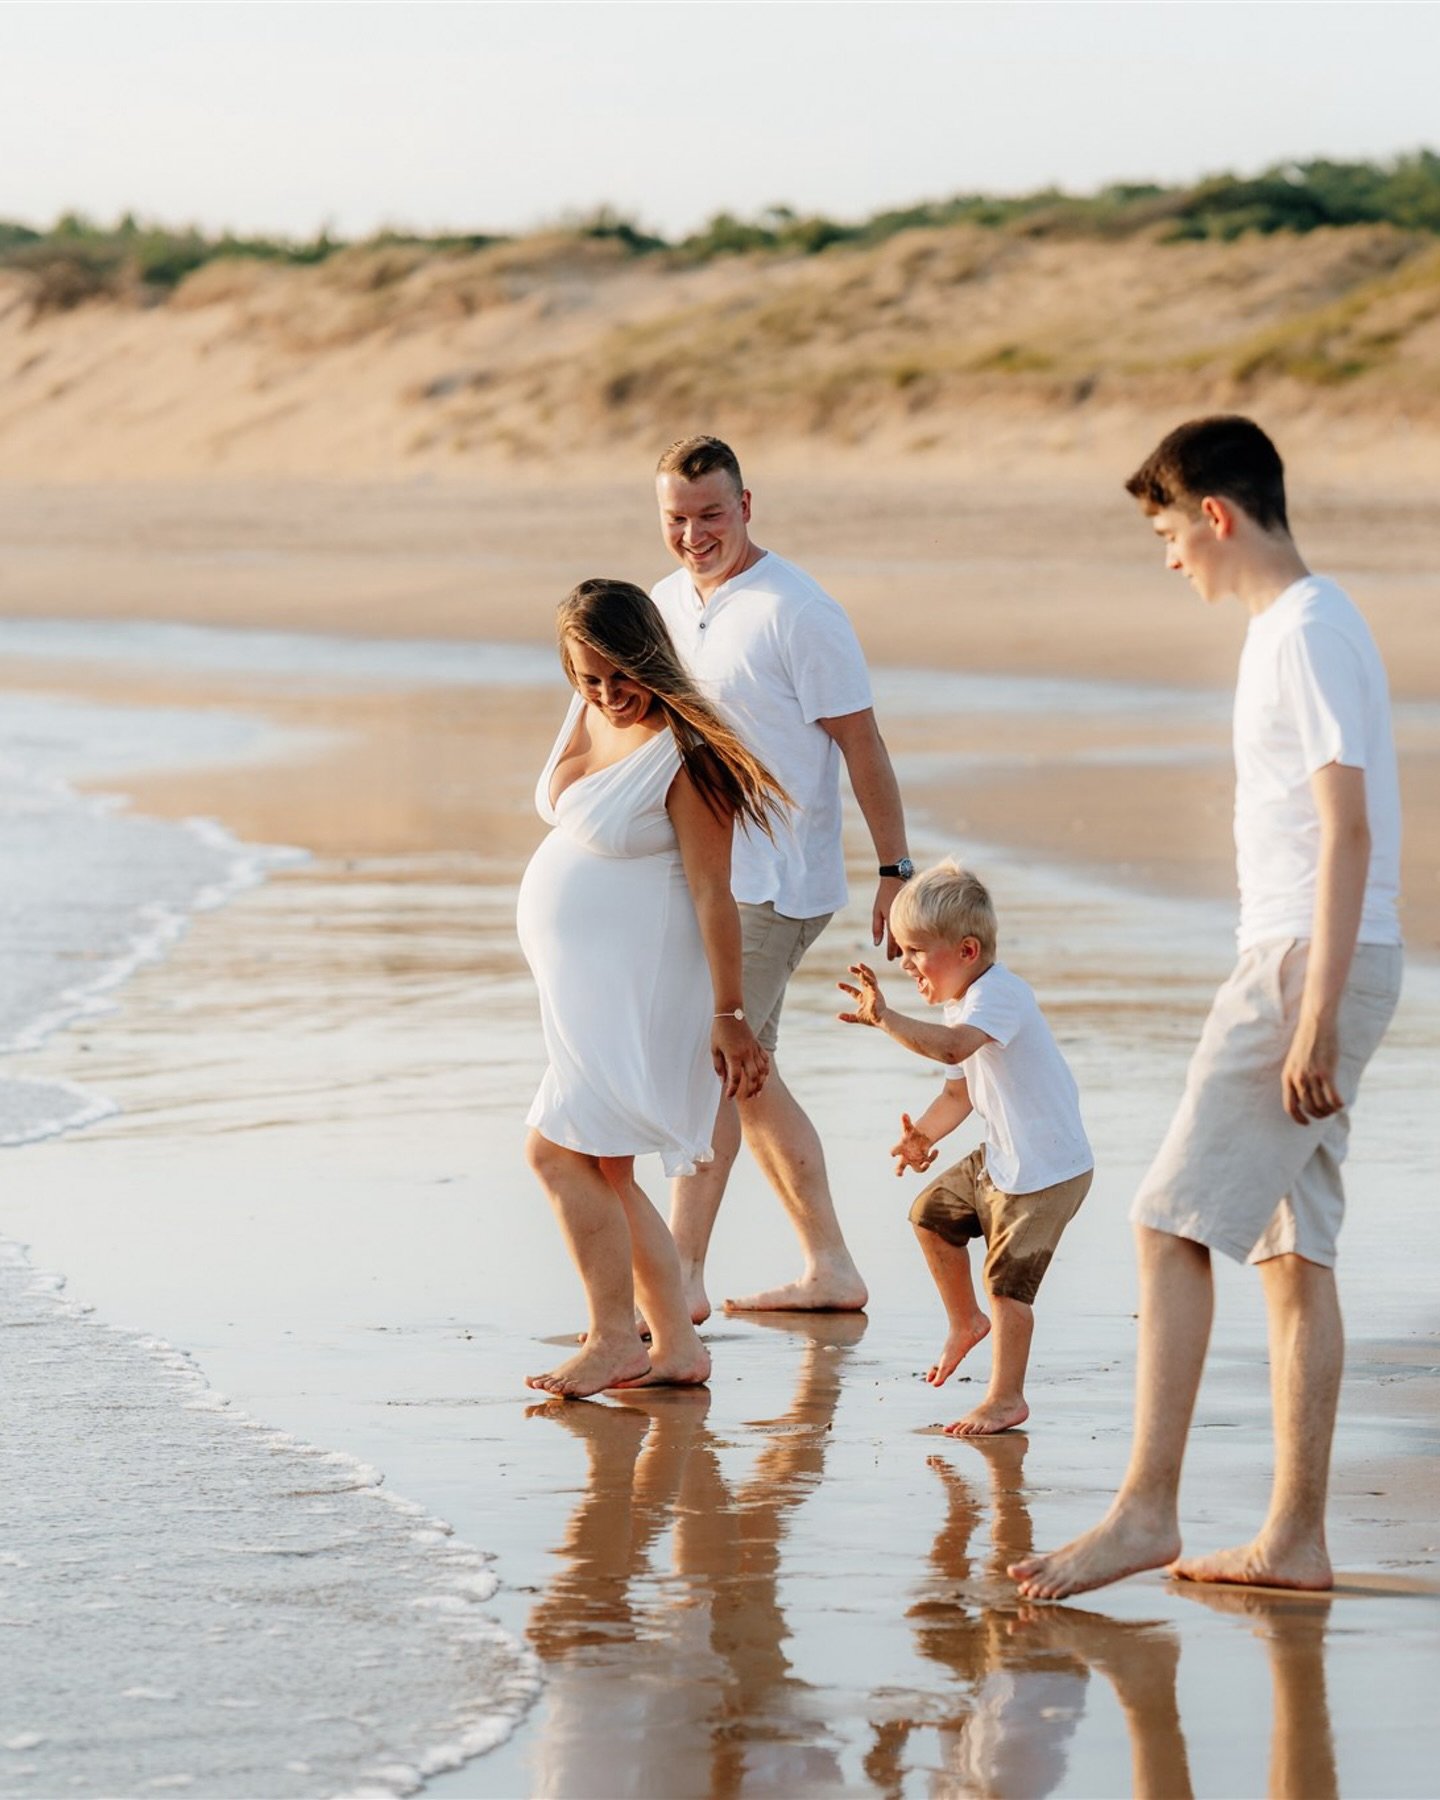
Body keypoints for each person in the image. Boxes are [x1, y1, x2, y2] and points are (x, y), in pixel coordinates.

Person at [1011, 416, 1403, 1598]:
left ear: (1218, 516)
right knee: (1294, 1252)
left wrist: (1315, 1011)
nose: (1170, 556)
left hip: (1302, 963)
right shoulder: (1304, 625)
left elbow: (1348, 826)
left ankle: (1145, 1512)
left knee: (1165, 1221)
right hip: (1319, 957)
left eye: (1171, 531)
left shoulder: (1304, 633)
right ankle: (1294, 1539)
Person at [650, 434, 912, 1319]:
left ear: (747, 505)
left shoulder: (798, 610)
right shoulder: (664, 604)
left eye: (711, 514)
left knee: (713, 1067)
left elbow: (862, 742)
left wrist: (894, 869)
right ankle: (829, 1268)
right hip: (701, 880)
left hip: (774, 880)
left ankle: (680, 1279)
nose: (694, 535)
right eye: (677, 519)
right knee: (750, 1077)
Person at [517, 578, 788, 1398]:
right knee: (598, 1160)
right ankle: (673, 1346)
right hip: (585, 989)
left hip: (645, 982)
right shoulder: (589, 710)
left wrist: (732, 1015)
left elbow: (714, 893)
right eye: (586, 678)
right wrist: (590, 699)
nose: (605, 694)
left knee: (559, 1152)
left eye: (618, 676)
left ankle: (612, 1337)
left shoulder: (689, 754)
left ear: (649, 656)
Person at [836, 860, 1093, 1435]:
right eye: (900, 952)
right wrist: (922, 1135)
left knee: (1007, 1287)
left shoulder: (1000, 996)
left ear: (968, 950)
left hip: (1046, 1172)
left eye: (914, 951)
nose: (903, 965)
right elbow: (959, 1091)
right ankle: (963, 1323)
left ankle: (1006, 1398)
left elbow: (952, 1051)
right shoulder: (964, 1003)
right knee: (931, 1216)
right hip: (1004, 1156)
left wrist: (885, 1019)